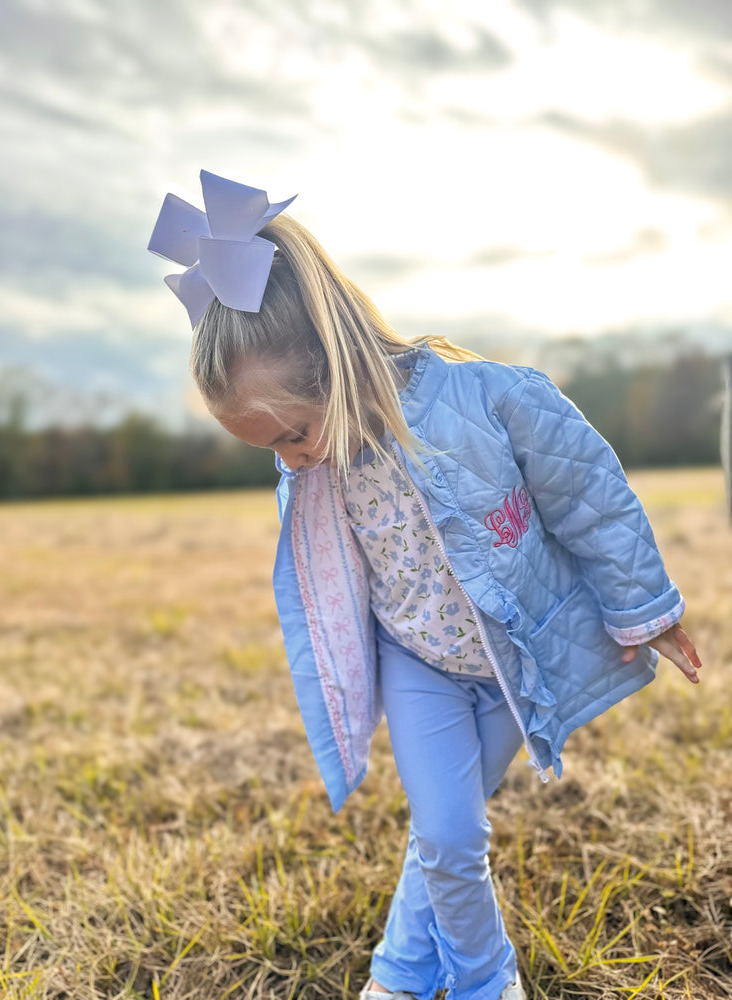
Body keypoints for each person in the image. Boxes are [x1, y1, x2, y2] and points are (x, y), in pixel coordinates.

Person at [148, 171, 702, 1000]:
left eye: (296, 435)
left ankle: (402, 972)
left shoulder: (488, 400)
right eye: (272, 451)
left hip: (513, 667)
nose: (292, 461)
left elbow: (589, 495)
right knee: (448, 832)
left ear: (332, 363)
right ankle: (485, 983)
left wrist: (643, 610)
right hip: (421, 667)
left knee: (444, 836)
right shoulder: (317, 475)